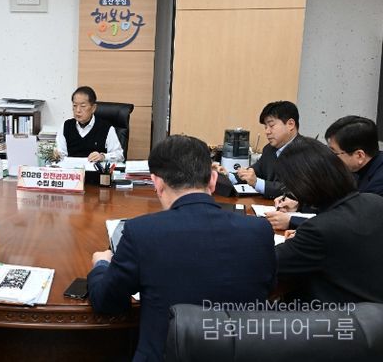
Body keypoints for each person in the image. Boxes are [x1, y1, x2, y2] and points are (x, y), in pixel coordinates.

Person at [87, 135, 276, 362]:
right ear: (213, 180)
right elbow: (267, 289)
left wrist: (102, 264)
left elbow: (107, 302)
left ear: (157, 183)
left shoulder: (141, 232)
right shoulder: (259, 231)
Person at [275, 137, 383, 303]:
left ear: (303, 185)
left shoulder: (319, 230)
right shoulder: (375, 201)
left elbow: (270, 263)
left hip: (337, 313)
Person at [268, 115, 383, 231]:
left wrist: (292, 221)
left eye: (334, 153)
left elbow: (351, 222)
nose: (329, 158)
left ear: (359, 156)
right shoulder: (354, 168)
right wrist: (299, 205)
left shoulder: (378, 184)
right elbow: (333, 205)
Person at [219, 100, 300, 199]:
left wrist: (256, 183)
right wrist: (227, 176)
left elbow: (293, 189)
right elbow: (255, 171)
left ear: (290, 124)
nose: (267, 132)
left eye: (271, 126)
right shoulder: (269, 149)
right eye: (265, 127)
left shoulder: (307, 152)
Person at [55, 86, 124, 162]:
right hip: (71, 169)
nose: (78, 110)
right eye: (75, 105)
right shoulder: (66, 126)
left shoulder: (106, 128)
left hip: (95, 169)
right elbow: (61, 155)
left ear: (93, 108)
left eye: (83, 106)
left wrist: (103, 156)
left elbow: (120, 156)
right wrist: (56, 155)